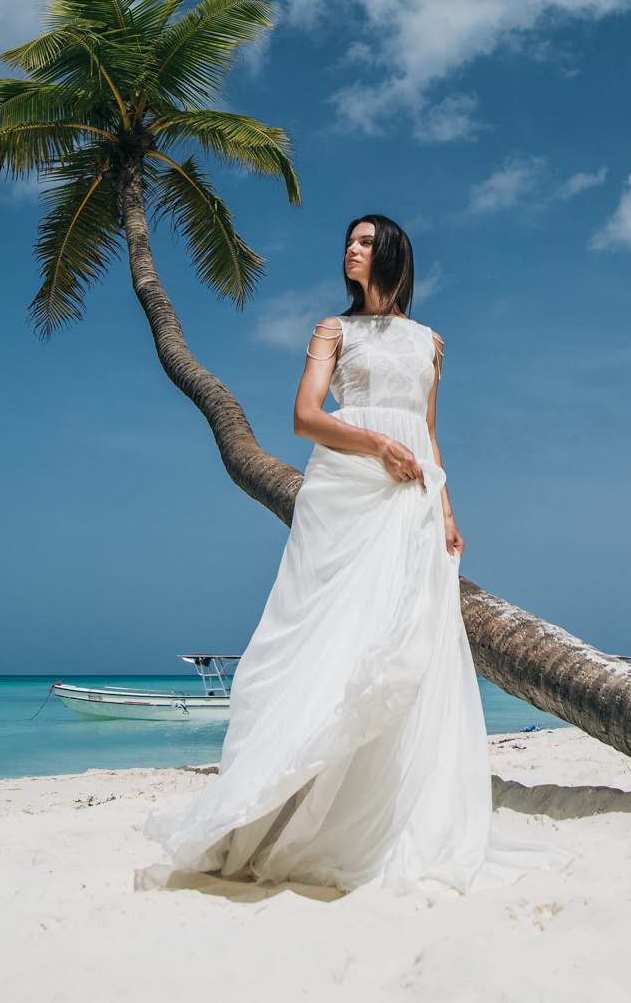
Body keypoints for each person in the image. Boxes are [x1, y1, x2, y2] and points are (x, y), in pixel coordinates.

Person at [142, 215, 566, 895]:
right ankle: (288, 806)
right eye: (350, 240)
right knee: (324, 637)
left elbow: (426, 432)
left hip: (413, 502)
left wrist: (448, 510)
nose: (352, 248)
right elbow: (305, 416)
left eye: (367, 241)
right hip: (346, 495)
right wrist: (379, 448)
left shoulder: (430, 342)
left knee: (404, 642)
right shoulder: (333, 331)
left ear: (393, 253)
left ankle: (392, 811)